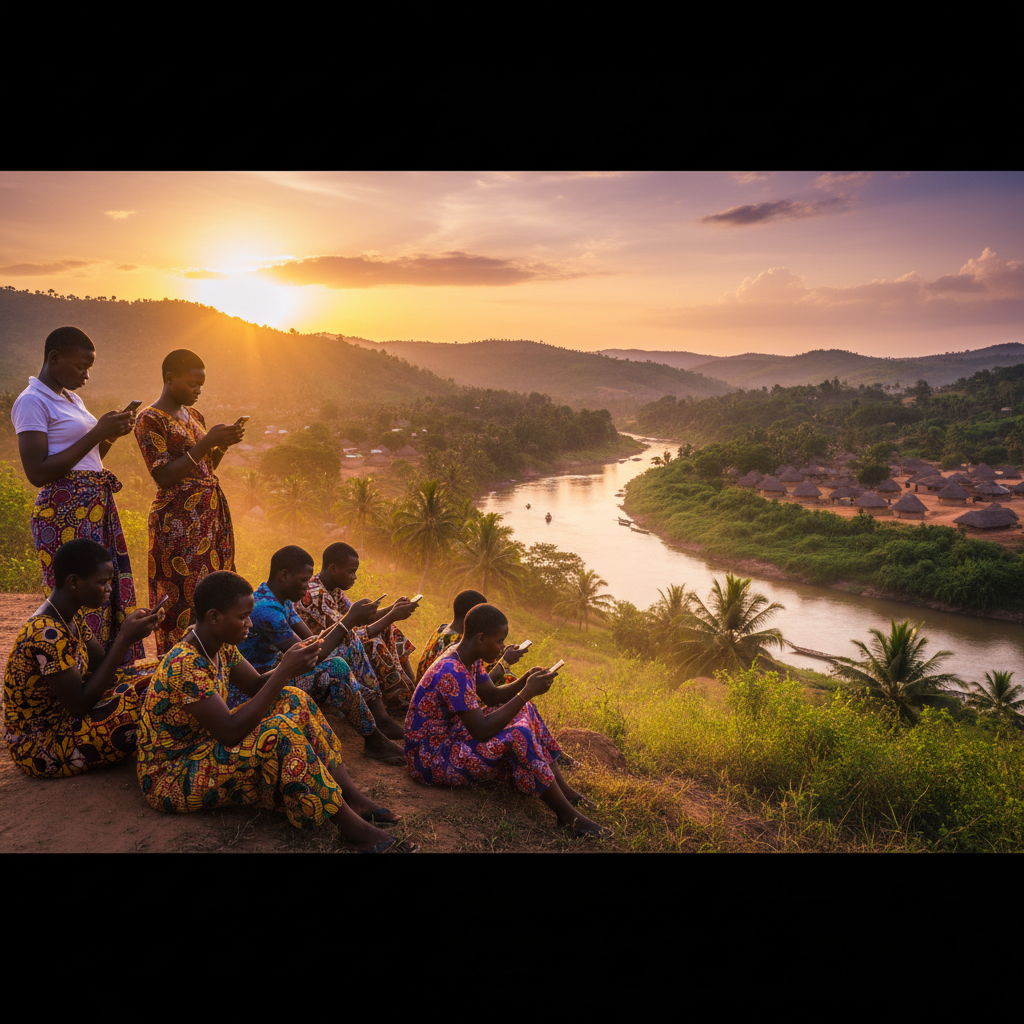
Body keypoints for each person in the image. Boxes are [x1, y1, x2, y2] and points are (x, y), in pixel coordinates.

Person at [136, 571, 417, 852]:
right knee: (279, 732)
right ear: (213, 617)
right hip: (172, 775)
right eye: (243, 616)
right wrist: (284, 670)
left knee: (293, 699)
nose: (249, 623)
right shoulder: (184, 665)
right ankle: (352, 830)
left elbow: (256, 684)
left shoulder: (218, 647)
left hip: (204, 747)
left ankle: (350, 797)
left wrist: (293, 665)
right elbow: (229, 732)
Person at [405, 602, 608, 839]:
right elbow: (480, 730)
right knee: (518, 733)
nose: (502, 647)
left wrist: (524, 680)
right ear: (481, 638)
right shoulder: (453, 670)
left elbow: (491, 695)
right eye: (500, 641)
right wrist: (526, 693)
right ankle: (567, 816)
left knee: (525, 711)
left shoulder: (467, 657)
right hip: (429, 759)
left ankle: (563, 790)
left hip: (448, 736)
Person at [11, 325, 144, 661]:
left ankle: (106, 673)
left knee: (104, 590)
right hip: (63, 512)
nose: (86, 375)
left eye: (89, 368)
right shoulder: (31, 402)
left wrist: (110, 435)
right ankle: (75, 678)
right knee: (80, 595)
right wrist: (97, 430)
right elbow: (38, 471)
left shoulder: (72, 399)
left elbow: (88, 459)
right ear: (54, 359)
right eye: (81, 366)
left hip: (94, 506)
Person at [3, 539, 161, 778]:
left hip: (67, 720)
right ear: (74, 582)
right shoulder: (47, 634)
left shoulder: (68, 618)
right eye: (102, 582)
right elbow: (79, 704)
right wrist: (125, 639)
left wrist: (136, 641)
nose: (109, 589)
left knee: (162, 671)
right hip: (43, 746)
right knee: (153, 691)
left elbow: (103, 667)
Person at [235, 545, 407, 763]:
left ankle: (378, 722)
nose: (307, 586)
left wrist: (348, 626)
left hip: (271, 674)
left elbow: (312, 641)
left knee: (349, 643)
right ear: (284, 576)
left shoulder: (282, 600)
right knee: (336, 667)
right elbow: (307, 657)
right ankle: (374, 738)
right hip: (256, 687)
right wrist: (348, 621)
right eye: (304, 580)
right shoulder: (266, 610)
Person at [133, 349, 244, 655]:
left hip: (208, 518)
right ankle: (176, 667)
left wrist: (220, 445)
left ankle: (213, 662)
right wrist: (208, 441)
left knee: (212, 595)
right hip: (177, 524)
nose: (198, 390)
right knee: (180, 599)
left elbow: (203, 468)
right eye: (193, 383)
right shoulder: (149, 419)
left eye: (201, 385)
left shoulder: (194, 417)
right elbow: (165, 476)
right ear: (169, 379)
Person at [297, 542, 419, 710]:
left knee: (390, 630)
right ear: (333, 569)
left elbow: (360, 619)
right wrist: (392, 615)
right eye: (350, 571)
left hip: (339, 641)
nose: (354, 577)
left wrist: (393, 608)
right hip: (324, 651)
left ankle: (410, 688)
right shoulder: (316, 595)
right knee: (373, 642)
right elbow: (349, 635)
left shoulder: (332, 589)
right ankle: (395, 699)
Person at [415, 588, 528, 684]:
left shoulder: (442, 630)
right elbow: (479, 685)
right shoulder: (457, 643)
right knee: (508, 681)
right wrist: (505, 661)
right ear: (472, 616)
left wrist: (500, 653)